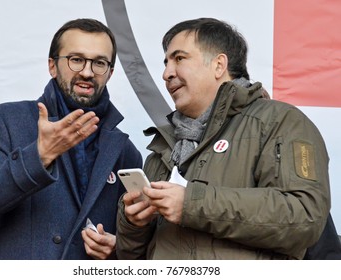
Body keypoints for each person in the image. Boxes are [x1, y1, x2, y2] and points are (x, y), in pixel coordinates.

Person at [116, 17, 331, 260]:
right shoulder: (163, 147)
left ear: (219, 65)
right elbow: (132, 259)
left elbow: (304, 217)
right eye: (165, 63)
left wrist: (192, 204)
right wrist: (134, 224)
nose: (166, 73)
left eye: (179, 59)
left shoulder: (280, 122)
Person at [0, 18, 142, 260]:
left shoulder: (126, 152)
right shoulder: (7, 120)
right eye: (76, 59)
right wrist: (38, 156)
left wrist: (118, 247)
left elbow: (134, 237)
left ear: (109, 73)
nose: (87, 72)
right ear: (52, 66)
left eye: (99, 63)